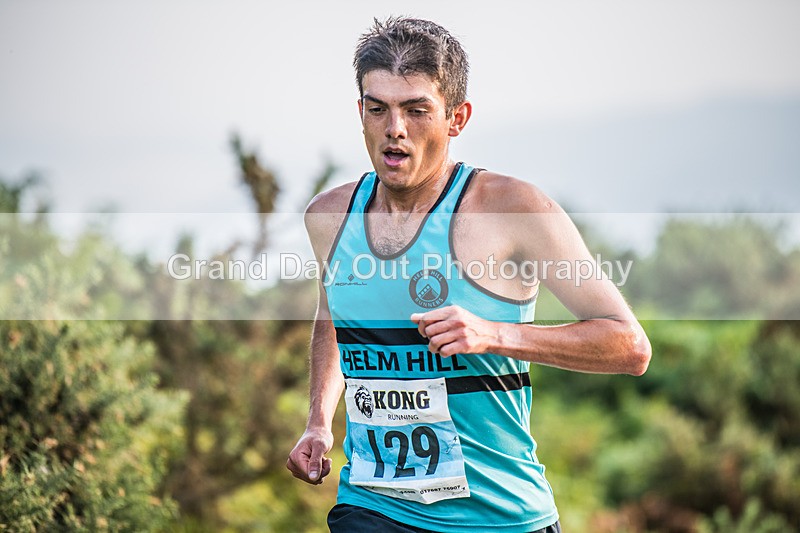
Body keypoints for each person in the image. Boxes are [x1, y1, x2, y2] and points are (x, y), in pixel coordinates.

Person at [287, 17, 651, 533]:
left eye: (417, 110)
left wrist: (493, 334)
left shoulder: (512, 209)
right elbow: (334, 320)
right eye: (378, 108)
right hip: (373, 506)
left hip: (499, 516)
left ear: (457, 118)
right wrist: (319, 422)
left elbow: (630, 346)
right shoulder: (329, 217)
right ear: (360, 112)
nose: (395, 128)